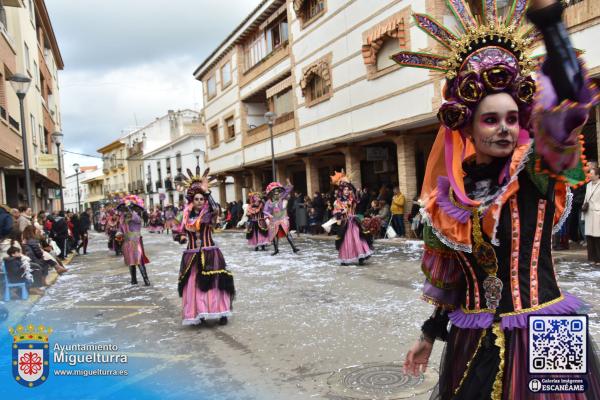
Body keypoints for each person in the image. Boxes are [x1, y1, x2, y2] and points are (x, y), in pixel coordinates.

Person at [394, 0, 600, 398]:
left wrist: (548, 21)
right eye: (490, 119)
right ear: (468, 126)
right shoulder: (449, 199)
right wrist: (430, 334)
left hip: (549, 329)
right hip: (472, 337)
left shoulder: (535, 173)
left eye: (511, 118)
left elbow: (573, 100)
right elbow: (452, 278)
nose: (504, 129)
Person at [177, 168, 235, 326]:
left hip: (210, 252)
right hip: (191, 255)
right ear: (192, 200)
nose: (199, 201)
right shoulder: (186, 215)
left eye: (201, 199)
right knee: (193, 285)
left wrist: (207, 192)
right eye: (196, 199)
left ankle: (221, 313)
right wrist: (181, 237)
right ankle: (199, 312)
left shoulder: (209, 213)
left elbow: (216, 208)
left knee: (215, 283)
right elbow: (180, 231)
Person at [117, 195, 150, 286]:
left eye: (127, 209)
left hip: (135, 240)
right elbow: (120, 228)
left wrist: (130, 210)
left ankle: (146, 280)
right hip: (126, 241)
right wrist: (119, 234)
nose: (125, 211)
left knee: (139, 260)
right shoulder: (122, 218)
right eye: (124, 209)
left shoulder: (136, 216)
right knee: (130, 261)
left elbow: (137, 220)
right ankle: (133, 279)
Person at [264, 179, 299, 255]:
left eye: (278, 193)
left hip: (282, 218)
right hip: (274, 220)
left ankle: (294, 248)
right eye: (275, 193)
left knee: (287, 233)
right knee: (275, 235)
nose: (277, 194)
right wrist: (269, 216)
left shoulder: (281, 198)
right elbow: (265, 211)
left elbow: (287, 191)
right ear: (271, 194)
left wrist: (288, 184)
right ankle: (276, 250)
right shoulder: (268, 203)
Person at [583, 166, 600, 264]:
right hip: (589, 213)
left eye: (592, 174)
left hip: (598, 213)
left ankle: (599, 258)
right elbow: (586, 199)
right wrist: (583, 213)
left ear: (597, 175)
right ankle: (593, 258)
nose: (589, 175)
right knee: (590, 237)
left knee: (598, 237)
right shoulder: (588, 185)